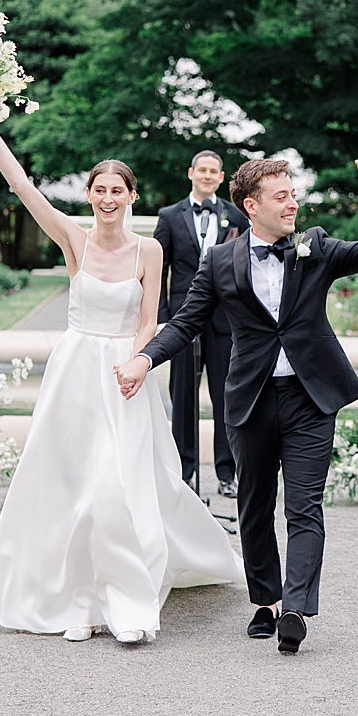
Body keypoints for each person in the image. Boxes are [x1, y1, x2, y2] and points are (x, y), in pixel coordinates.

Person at [0, 96, 244, 645]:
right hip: (74, 371)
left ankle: (125, 598)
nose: (108, 198)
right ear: (90, 195)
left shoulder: (149, 250)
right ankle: (75, 599)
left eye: (119, 190)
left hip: (125, 372)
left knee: (116, 483)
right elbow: (23, 187)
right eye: (100, 189)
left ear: (132, 196)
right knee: (68, 482)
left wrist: (138, 361)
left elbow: (150, 319)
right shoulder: (74, 237)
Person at [118, 142, 358, 656]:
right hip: (250, 396)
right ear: (252, 205)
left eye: (293, 195)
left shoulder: (315, 246)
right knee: (253, 505)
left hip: (311, 396)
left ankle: (294, 607)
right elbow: (185, 322)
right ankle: (265, 600)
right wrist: (145, 359)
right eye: (281, 198)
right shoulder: (220, 260)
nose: (293, 205)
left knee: (304, 505)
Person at [153, 150, 244, 496]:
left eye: (213, 172)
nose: (207, 175)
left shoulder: (235, 215)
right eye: (201, 170)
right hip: (182, 320)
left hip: (225, 321)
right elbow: (159, 269)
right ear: (191, 173)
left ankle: (227, 474)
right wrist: (163, 319)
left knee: (227, 396)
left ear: (221, 178)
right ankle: (184, 471)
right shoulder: (169, 216)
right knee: (183, 397)